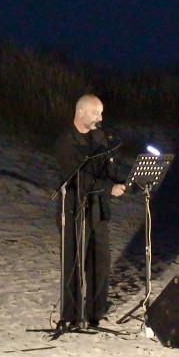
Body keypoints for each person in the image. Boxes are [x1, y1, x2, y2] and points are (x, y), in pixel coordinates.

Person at [54, 94, 126, 330]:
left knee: (100, 262)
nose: (100, 118)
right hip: (74, 206)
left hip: (98, 208)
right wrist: (109, 188)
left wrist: (127, 181)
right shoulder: (66, 140)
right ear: (81, 112)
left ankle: (95, 313)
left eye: (102, 113)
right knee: (74, 262)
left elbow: (108, 170)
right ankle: (71, 316)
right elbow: (78, 177)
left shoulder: (100, 138)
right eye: (96, 112)